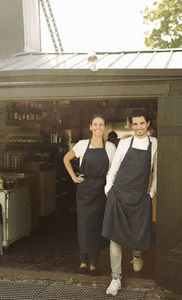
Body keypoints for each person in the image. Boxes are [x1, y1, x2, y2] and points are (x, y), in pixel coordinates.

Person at [102, 109, 157, 296]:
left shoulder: (155, 144)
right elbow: (113, 169)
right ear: (131, 125)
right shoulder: (124, 144)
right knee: (114, 239)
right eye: (135, 124)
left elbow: (156, 172)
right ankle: (115, 278)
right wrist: (108, 188)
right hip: (118, 195)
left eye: (142, 123)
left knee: (137, 233)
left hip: (139, 197)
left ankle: (137, 255)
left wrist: (151, 193)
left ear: (148, 123)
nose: (139, 127)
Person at [63, 114, 116, 277]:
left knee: (97, 226)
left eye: (101, 124)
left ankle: (93, 264)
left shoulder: (110, 147)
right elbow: (66, 158)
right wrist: (73, 177)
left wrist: (109, 186)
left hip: (101, 189)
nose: (98, 127)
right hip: (84, 190)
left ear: (104, 127)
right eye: (95, 124)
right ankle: (83, 261)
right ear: (90, 127)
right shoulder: (82, 144)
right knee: (84, 226)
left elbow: (114, 170)